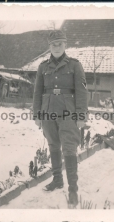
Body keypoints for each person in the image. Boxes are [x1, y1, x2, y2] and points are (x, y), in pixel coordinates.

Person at [33, 30, 88, 207]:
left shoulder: (74, 65)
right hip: (48, 111)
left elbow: (81, 92)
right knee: (53, 145)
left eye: (60, 44)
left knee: (69, 147)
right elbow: (37, 92)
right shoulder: (43, 67)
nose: (56, 47)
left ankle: (73, 189)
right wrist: (37, 114)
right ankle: (57, 180)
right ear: (49, 47)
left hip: (68, 112)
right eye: (53, 45)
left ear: (65, 45)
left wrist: (81, 115)